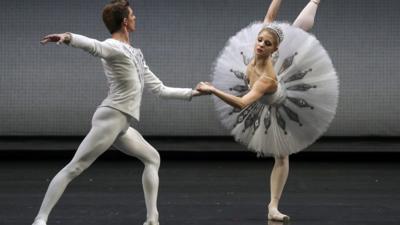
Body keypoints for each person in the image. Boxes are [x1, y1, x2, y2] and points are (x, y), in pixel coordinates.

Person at [33, 1, 203, 225]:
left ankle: (152, 219)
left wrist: (194, 92)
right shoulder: (112, 46)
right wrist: (67, 37)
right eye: (132, 15)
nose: (135, 18)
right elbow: (94, 46)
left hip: (122, 123)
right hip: (111, 116)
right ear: (125, 21)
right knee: (74, 167)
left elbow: (160, 89)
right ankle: (40, 219)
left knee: (153, 158)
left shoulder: (136, 55)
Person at [197, 0, 338, 222]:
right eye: (260, 40)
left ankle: (273, 205)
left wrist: (213, 90)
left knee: (282, 157)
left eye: (267, 43)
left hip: (280, 104)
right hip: (267, 92)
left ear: (274, 49)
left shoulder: (266, 79)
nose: (261, 44)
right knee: (293, 32)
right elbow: (270, 16)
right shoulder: (259, 49)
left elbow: (243, 104)